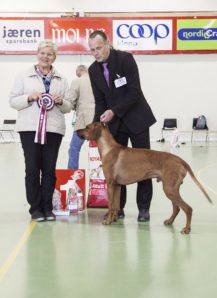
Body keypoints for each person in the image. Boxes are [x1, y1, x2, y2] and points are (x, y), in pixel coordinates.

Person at [88, 30, 156, 222]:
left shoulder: (126, 59)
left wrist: (114, 111)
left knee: (145, 165)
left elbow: (134, 92)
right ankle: (118, 209)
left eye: (99, 48)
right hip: (115, 124)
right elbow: (100, 101)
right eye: (92, 50)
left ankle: (144, 209)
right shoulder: (93, 70)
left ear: (108, 43)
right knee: (117, 169)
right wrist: (94, 129)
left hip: (137, 119)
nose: (96, 53)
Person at [9, 39, 72, 222]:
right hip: (29, 129)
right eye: (43, 53)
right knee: (32, 168)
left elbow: (68, 107)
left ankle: (47, 207)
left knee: (49, 170)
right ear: (37, 54)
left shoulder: (62, 79)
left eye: (49, 54)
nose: (45, 57)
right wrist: (29, 97)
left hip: (54, 129)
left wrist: (61, 102)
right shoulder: (23, 75)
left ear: (54, 57)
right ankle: (35, 209)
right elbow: (13, 101)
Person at [67, 64, 95, 169]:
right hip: (99, 121)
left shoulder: (77, 81)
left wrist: (73, 106)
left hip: (83, 122)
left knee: (74, 148)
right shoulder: (97, 80)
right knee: (101, 150)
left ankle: (72, 176)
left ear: (79, 71)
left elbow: (70, 100)